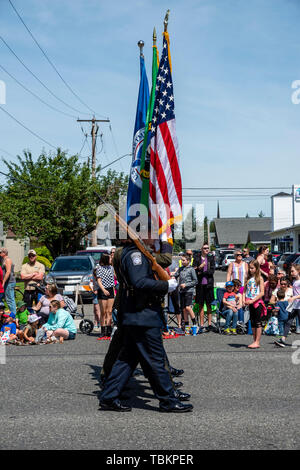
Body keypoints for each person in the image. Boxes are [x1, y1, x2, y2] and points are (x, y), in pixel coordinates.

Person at [99, 238, 193, 413]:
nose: (154, 238)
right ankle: (168, 400)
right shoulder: (136, 254)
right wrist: (166, 285)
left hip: (135, 314)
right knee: (156, 360)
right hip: (142, 315)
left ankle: (109, 397)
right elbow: (139, 282)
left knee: (127, 359)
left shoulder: (134, 252)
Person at [274, 264, 300, 348]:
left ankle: (283, 339)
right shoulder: (294, 281)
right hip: (295, 306)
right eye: (291, 271)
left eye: (293, 271)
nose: (291, 273)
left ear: (298, 271)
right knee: (288, 322)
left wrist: (294, 297)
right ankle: (283, 339)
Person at [243, 260, 265, 349]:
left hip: (257, 302)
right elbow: (244, 290)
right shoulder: (247, 278)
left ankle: (257, 341)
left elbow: (262, 292)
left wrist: (253, 300)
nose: (250, 270)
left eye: (252, 268)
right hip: (249, 302)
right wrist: (243, 300)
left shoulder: (260, 278)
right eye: (249, 268)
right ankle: (254, 340)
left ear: (256, 268)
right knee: (252, 322)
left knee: (257, 322)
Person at [174, 253, 198, 334]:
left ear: (188, 261)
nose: (182, 261)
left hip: (189, 291)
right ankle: (187, 326)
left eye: (183, 260)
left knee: (188, 307)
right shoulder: (180, 269)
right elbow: (175, 275)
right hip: (181, 291)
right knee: (183, 309)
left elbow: (195, 281)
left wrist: (186, 285)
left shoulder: (191, 269)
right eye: (181, 260)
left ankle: (195, 323)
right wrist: (171, 276)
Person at [194, 242, 215, 332]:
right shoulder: (197, 258)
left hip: (209, 285)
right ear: (201, 249)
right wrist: (200, 267)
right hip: (200, 285)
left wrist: (201, 272)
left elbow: (212, 271)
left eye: (207, 248)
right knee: (201, 305)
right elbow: (194, 270)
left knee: (209, 304)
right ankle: (202, 324)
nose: (206, 249)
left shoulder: (211, 258)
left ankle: (209, 324)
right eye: (205, 248)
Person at [96, 253, 115, 337]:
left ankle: (109, 329)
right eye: (109, 258)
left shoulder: (111, 268)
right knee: (103, 312)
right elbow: (99, 281)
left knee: (109, 311)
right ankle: (103, 330)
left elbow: (112, 280)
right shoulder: (99, 268)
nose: (111, 259)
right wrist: (103, 290)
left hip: (110, 289)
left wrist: (113, 291)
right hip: (102, 290)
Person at [0, 248, 16, 314]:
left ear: (4, 253)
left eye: (0, 252)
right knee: (7, 299)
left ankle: (13, 316)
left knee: (10, 299)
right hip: (7, 282)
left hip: (9, 282)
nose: (0, 254)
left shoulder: (7, 260)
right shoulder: (4, 260)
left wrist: (3, 282)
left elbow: (8, 272)